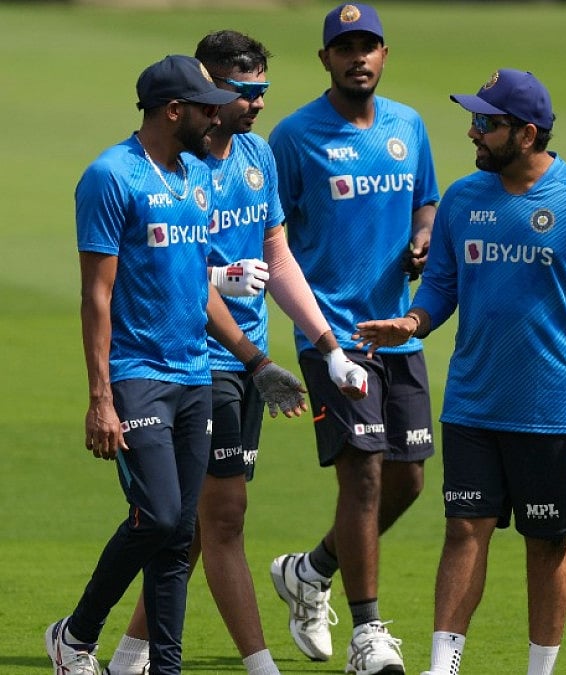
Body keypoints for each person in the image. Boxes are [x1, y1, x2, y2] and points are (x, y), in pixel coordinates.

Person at [353, 67, 566, 675]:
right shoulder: (462, 198)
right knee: (463, 531)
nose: (472, 133)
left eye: (486, 124)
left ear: (527, 133)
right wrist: (410, 324)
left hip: (553, 410)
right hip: (472, 406)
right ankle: (443, 666)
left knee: (547, 544)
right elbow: (440, 288)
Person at [101, 31, 370, 675]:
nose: (255, 105)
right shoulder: (174, 164)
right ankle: (259, 665)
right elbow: (158, 266)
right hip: (187, 356)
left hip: (251, 357)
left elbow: (277, 256)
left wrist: (329, 346)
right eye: (243, 93)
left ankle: (121, 651)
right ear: (205, 91)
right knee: (221, 519)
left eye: (262, 92)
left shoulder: (256, 156)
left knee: (189, 524)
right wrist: (218, 281)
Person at [44, 54, 307, 675]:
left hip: (196, 374)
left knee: (177, 534)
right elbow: (96, 295)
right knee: (160, 517)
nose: (216, 117)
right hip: (139, 377)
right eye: (205, 107)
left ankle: (165, 668)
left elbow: (196, 286)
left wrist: (255, 360)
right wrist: (100, 397)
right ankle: (77, 636)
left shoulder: (191, 178)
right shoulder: (111, 177)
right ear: (173, 110)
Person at [266, 4, 440, 674]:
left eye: (368, 46)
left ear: (385, 54)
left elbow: (426, 196)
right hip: (333, 335)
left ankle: (310, 569)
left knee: (409, 479)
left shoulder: (408, 125)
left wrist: (423, 235)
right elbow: (270, 229)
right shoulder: (295, 136)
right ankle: (370, 633)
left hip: (397, 329)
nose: (357, 58)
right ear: (325, 60)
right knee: (363, 475)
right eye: (344, 48)